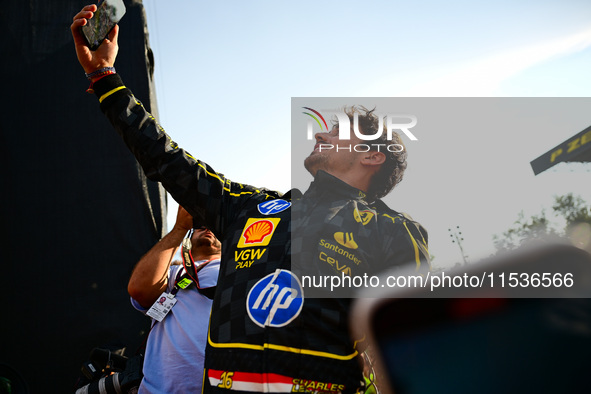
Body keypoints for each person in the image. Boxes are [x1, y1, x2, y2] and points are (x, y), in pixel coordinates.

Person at [71, 5, 430, 393]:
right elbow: (165, 158)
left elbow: (418, 349)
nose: (321, 134)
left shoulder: (395, 232)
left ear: (372, 155)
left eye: (340, 132)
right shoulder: (247, 206)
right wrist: (104, 76)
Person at [128, 205, 221, 393]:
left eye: (215, 226)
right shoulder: (172, 273)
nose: (207, 228)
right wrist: (180, 228)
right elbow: (139, 290)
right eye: (201, 225)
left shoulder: (246, 270)